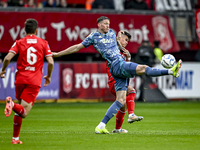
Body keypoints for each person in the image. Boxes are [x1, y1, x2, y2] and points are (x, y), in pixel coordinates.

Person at [52, 16, 182, 134]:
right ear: (98, 25)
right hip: (117, 64)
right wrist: (58, 54)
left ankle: (101, 126)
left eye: (108, 23)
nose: (107, 26)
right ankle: (171, 71)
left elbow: (119, 44)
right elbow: (77, 47)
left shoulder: (112, 33)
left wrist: (126, 53)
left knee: (120, 100)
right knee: (144, 68)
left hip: (118, 67)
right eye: (105, 24)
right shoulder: (93, 37)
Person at [0, 18, 54, 144]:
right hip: (33, 81)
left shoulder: (19, 42)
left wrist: (3, 70)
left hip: (20, 79)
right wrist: (49, 76)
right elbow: (50, 62)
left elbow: (7, 57)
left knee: (19, 110)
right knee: (23, 112)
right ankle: (11, 104)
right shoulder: (43, 43)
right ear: (36, 29)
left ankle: (15, 138)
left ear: (24, 30)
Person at [106, 31, 143, 133]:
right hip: (114, 81)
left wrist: (129, 58)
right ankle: (131, 115)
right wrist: (118, 36)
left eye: (128, 41)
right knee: (131, 90)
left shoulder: (123, 53)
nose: (126, 42)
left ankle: (117, 129)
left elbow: (125, 69)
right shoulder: (113, 49)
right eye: (125, 39)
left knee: (123, 107)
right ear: (119, 38)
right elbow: (114, 42)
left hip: (119, 81)